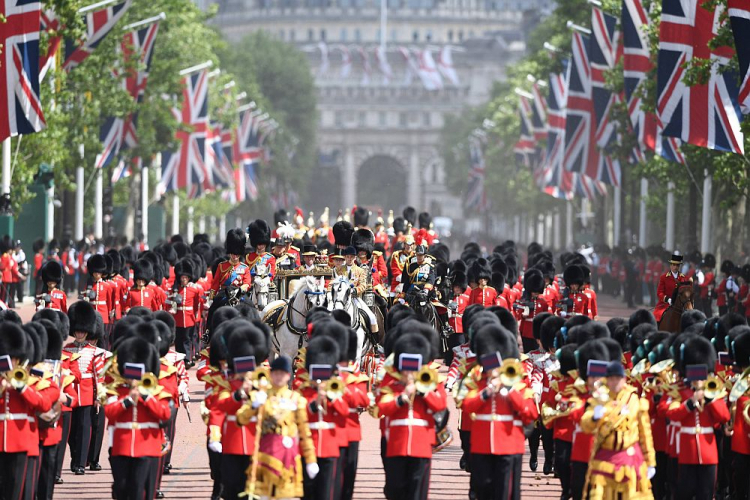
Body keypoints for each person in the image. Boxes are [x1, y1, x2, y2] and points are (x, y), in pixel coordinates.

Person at [460, 325, 538, 500]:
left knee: (505, 493)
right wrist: (487, 391)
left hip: (509, 446)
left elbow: (530, 412)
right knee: (483, 491)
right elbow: (467, 406)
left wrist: (509, 390)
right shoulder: (477, 382)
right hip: (482, 445)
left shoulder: (517, 382)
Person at [377, 333, 448, 500]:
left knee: (418, 492)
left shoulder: (431, 380)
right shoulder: (391, 380)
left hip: (422, 443)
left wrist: (423, 391)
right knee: (395, 490)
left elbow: (440, 405)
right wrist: (403, 396)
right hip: (396, 442)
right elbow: (382, 407)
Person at [235, 355, 317, 499]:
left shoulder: (296, 399)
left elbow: (304, 433)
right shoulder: (261, 396)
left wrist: (310, 460)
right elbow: (240, 419)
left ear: (288, 376)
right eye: (276, 373)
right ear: (271, 375)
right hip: (265, 453)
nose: (279, 377)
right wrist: (253, 405)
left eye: (282, 373)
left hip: (287, 455)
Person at [104, 336, 171, 500]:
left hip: (147, 447)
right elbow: (110, 412)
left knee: (139, 490)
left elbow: (165, 414)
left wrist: (146, 397)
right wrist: (128, 401)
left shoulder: (155, 391)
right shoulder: (116, 391)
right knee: (121, 488)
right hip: (122, 445)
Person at [580, 360, 656, 500]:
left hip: (630, 459)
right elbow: (585, 425)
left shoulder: (634, 400)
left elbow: (645, 434)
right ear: (607, 380)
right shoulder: (599, 399)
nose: (614, 382)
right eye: (611, 379)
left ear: (624, 379)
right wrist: (595, 417)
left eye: (617, 379)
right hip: (605, 458)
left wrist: (650, 462)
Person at [514, 269, 551, 354]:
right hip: (526, 330)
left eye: (537, 293)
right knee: (527, 352)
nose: (536, 294)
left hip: (538, 330)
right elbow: (518, 314)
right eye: (534, 292)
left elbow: (546, 316)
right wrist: (523, 314)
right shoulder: (523, 301)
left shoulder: (543, 302)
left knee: (538, 352)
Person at [653, 252, 687, 323]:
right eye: (674, 265)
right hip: (665, 305)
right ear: (670, 265)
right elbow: (659, 293)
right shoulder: (663, 278)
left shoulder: (683, 278)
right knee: (658, 316)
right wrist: (667, 299)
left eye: (677, 265)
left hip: (680, 306)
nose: (675, 267)